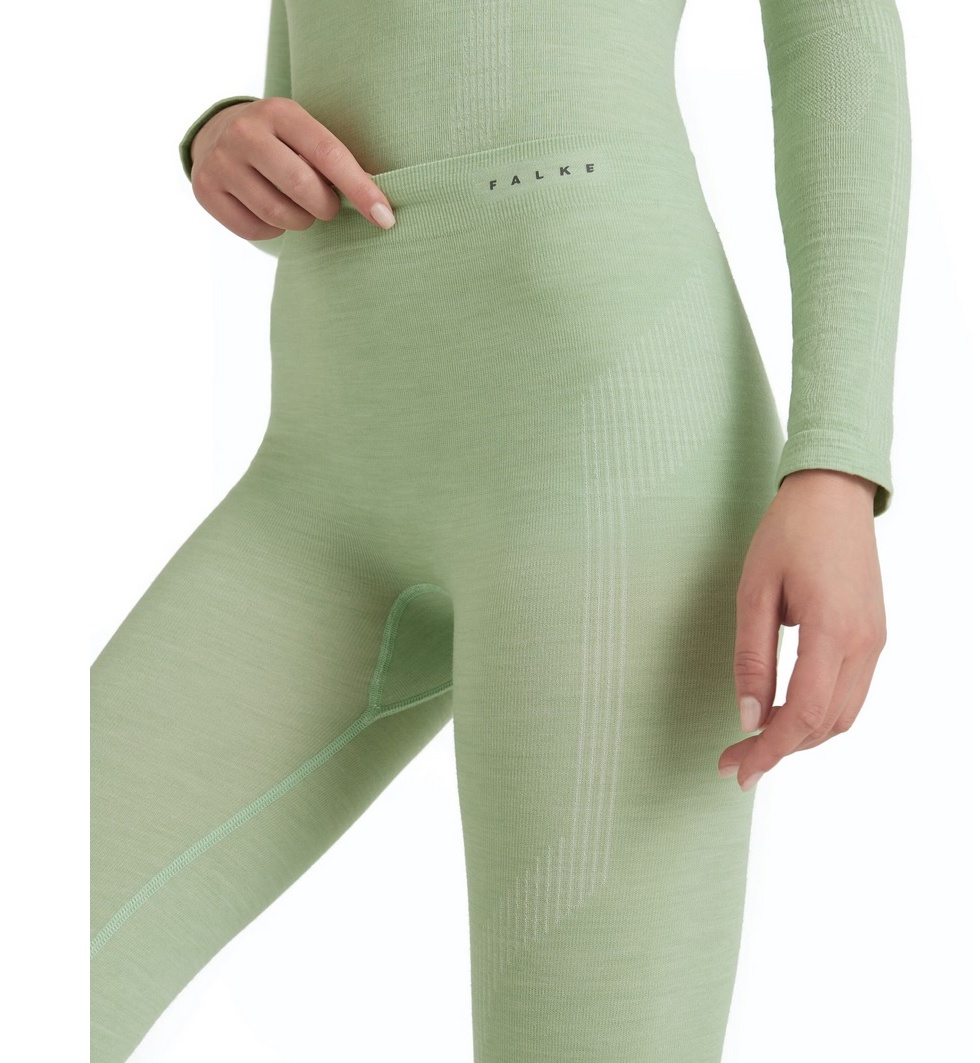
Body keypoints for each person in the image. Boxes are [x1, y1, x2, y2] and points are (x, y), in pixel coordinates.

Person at [90, 0, 911, 1059]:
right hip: (321, 464)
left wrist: (837, 462)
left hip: (606, 452)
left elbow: (836, 40)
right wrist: (226, 134)